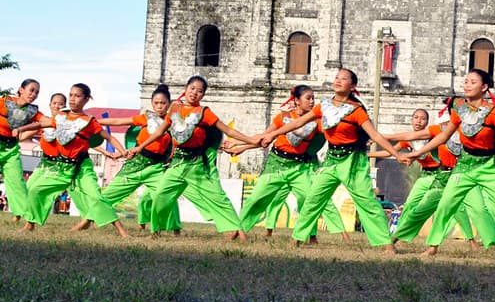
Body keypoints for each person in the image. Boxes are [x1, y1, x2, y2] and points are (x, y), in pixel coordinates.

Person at [406, 69, 495, 266]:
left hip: (489, 167)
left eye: (472, 82)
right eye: (466, 81)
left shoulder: (493, 113)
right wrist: (416, 153)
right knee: (446, 204)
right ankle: (433, 246)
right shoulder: (459, 109)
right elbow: (443, 137)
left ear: (485, 87)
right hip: (465, 165)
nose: (467, 85)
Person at [260, 69, 404, 254]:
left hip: (353, 161)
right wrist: (272, 133)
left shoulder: (356, 110)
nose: (338, 81)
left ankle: (386, 244)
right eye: (337, 77)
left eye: (343, 79)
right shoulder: (324, 106)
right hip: (331, 160)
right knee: (314, 198)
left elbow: (375, 135)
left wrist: (397, 154)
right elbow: (297, 123)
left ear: (352, 86)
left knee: (367, 201)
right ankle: (297, 238)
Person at [129, 75, 261, 240]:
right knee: (160, 196)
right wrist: (140, 147)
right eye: (192, 89)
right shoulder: (174, 109)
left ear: (203, 95)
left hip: (196, 164)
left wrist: (251, 140)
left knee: (217, 197)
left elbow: (228, 131)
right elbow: (159, 131)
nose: (194, 93)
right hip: (176, 164)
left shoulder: (204, 112)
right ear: (185, 89)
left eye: (199, 91)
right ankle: (155, 232)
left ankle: (240, 233)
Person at [224, 85, 349, 242]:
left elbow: (335, 135)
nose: (312, 101)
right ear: (297, 100)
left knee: (309, 199)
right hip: (276, 165)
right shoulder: (283, 117)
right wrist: (242, 147)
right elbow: (264, 137)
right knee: (256, 198)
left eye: (313, 98)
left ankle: (307, 235)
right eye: (308, 98)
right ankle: (238, 230)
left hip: (300, 168)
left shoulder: (317, 122)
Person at [374, 107, 495, 254]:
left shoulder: (470, 132)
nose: (418, 121)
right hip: (441, 177)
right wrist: (379, 138)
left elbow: (493, 147)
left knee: (478, 210)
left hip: (463, 175)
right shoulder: (437, 131)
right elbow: (410, 137)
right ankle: (395, 241)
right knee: (419, 210)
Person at [15, 84, 129, 236]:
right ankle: (30, 224)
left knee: (95, 196)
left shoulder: (89, 121)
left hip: (82, 166)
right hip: (60, 167)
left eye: (77, 96)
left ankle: (122, 231)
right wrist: (21, 129)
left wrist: (122, 152)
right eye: (71, 95)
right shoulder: (61, 117)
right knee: (36, 190)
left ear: (87, 99)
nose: (72, 99)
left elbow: (109, 137)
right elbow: (43, 124)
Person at [69, 84, 182, 234]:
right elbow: (118, 122)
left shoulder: (173, 122)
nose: (159, 106)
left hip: (155, 167)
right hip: (135, 165)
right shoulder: (146, 118)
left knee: (167, 194)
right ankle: (86, 221)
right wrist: (94, 122)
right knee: (107, 195)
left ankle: (174, 229)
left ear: (168, 104)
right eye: (156, 103)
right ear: (152, 103)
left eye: (163, 103)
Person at [0, 79, 44, 221]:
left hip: (11, 148)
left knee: (17, 181)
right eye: (31, 90)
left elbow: (46, 121)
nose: (34, 94)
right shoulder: (4, 102)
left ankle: (20, 214)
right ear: (21, 90)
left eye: (37, 92)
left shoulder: (33, 111)